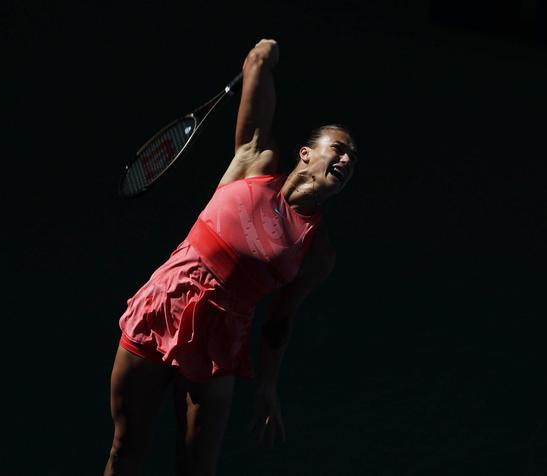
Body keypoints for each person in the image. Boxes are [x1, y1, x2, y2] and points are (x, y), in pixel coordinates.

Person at [104, 38, 359, 476]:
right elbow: (258, 62)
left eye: (352, 159)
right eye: (338, 147)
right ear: (306, 153)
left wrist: (267, 385)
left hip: (223, 340)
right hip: (164, 303)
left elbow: (280, 320)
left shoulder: (318, 252)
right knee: (126, 449)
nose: (346, 158)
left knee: (196, 470)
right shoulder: (253, 159)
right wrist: (269, 50)